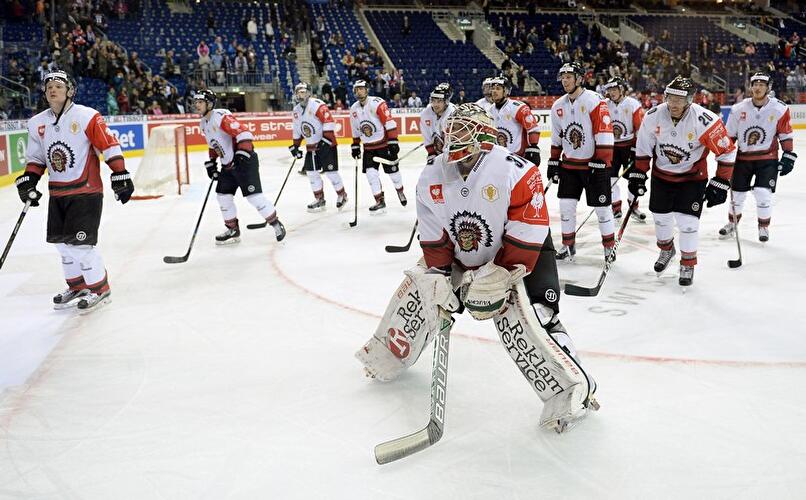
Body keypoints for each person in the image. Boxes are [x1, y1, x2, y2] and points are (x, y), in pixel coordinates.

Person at [355, 103, 599, 433]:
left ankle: (572, 390)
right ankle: (388, 353)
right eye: (451, 134)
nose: (453, 143)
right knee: (422, 289)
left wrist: (501, 275)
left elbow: (528, 230)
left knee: (533, 315)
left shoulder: (516, 170)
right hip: (462, 255)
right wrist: (440, 275)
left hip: (518, 256)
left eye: (463, 135)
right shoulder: (431, 175)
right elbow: (434, 235)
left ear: (484, 139)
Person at [14, 70, 135, 311]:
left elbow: (108, 145)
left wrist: (119, 173)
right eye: (48, 85)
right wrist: (28, 181)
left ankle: (100, 288)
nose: (52, 89)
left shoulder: (88, 116)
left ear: (70, 90)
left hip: (86, 192)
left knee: (81, 246)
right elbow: (36, 159)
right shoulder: (37, 123)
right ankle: (77, 285)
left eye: (58, 85)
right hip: (58, 193)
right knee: (62, 244)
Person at [632, 76, 737, 287]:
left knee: (687, 223)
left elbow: (726, 152)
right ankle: (666, 250)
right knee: (661, 219)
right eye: (670, 98)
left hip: (692, 178)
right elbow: (643, 149)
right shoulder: (653, 116)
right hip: (662, 176)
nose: (673, 103)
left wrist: (720, 182)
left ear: (689, 100)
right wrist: (639, 174)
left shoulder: (705, 120)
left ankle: (687, 262)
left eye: (679, 99)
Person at [193, 90, 286, 244]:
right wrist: (212, 162)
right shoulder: (203, 123)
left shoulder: (221, 116)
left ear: (209, 103)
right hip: (227, 165)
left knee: (253, 197)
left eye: (200, 102)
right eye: (195, 102)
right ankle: (233, 229)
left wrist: (242, 155)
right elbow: (213, 145)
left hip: (244, 163)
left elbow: (244, 133)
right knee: (223, 197)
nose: (196, 105)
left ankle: (276, 224)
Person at [548, 62, 616, 263]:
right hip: (570, 166)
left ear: (579, 79)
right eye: (563, 77)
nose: (565, 81)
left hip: (594, 166)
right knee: (566, 207)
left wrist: (602, 160)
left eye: (569, 76)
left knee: (603, 209)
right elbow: (556, 136)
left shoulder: (594, 100)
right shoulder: (557, 105)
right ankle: (568, 245)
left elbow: (604, 131)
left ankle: (609, 246)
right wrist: (553, 161)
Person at [721, 71, 795, 243]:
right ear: (750, 87)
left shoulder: (780, 108)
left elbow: (785, 133)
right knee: (737, 195)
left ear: (768, 88)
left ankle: (763, 226)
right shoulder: (738, 109)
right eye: (755, 84)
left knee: (763, 193)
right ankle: (732, 223)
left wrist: (789, 154)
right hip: (742, 158)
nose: (758, 87)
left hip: (767, 158)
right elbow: (729, 136)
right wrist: (724, 154)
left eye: (762, 84)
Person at [290, 82, 348, 212]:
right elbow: (297, 129)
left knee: (331, 173)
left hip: (326, 145)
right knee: (311, 173)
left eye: (303, 92)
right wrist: (295, 146)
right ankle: (319, 199)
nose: (300, 95)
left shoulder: (318, 105)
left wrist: (325, 140)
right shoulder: (296, 110)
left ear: (309, 93)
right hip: (311, 147)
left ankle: (342, 195)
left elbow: (328, 122)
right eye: (298, 92)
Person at [349, 79, 406, 212]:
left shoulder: (377, 103)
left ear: (367, 90)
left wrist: (393, 141)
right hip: (368, 148)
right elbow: (355, 129)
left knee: (393, 173)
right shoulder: (353, 109)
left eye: (361, 88)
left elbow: (389, 122)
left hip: (384, 145)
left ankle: (400, 190)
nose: (359, 91)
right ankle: (379, 200)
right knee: (371, 174)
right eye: (357, 89)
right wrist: (355, 145)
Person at [603, 76, 647, 221]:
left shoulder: (633, 104)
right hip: (611, 147)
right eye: (610, 90)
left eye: (615, 89)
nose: (612, 92)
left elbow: (640, 129)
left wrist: (637, 149)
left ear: (622, 89)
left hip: (629, 147)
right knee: (611, 178)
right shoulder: (604, 105)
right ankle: (616, 207)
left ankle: (633, 206)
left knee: (633, 178)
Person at [487, 73, 541, 167]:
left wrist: (533, 147)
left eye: (498, 88)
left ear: (506, 91)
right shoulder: (490, 111)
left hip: (518, 158)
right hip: (499, 157)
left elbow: (533, 128)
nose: (494, 91)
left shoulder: (517, 107)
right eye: (493, 88)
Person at [420, 82, 456, 165]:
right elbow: (427, 136)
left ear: (446, 102)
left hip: (452, 152)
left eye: (439, 101)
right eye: (433, 101)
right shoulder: (425, 114)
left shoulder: (453, 114)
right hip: (437, 151)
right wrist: (431, 153)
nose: (435, 104)